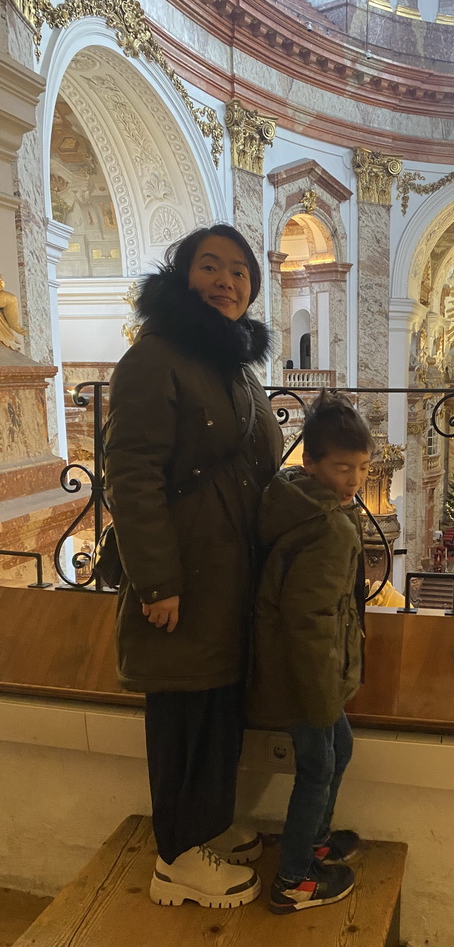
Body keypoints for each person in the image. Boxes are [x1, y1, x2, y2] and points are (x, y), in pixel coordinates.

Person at [104, 224, 284, 908]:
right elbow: (132, 474)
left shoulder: (233, 366)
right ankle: (176, 857)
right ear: (183, 277)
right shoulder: (156, 358)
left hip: (230, 570)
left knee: (218, 704)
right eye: (210, 266)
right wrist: (158, 581)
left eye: (239, 272)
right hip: (182, 576)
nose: (226, 281)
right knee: (182, 711)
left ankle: (208, 826)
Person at [249, 390, 372, 914]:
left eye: (363, 467)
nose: (355, 480)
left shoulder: (304, 506)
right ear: (311, 463)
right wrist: (323, 695)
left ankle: (316, 841)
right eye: (342, 467)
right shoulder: (325, 528)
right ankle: (295, 878)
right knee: (317, 767)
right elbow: (310, 621)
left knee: (337, 752)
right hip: (306, 674)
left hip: (311, 671)